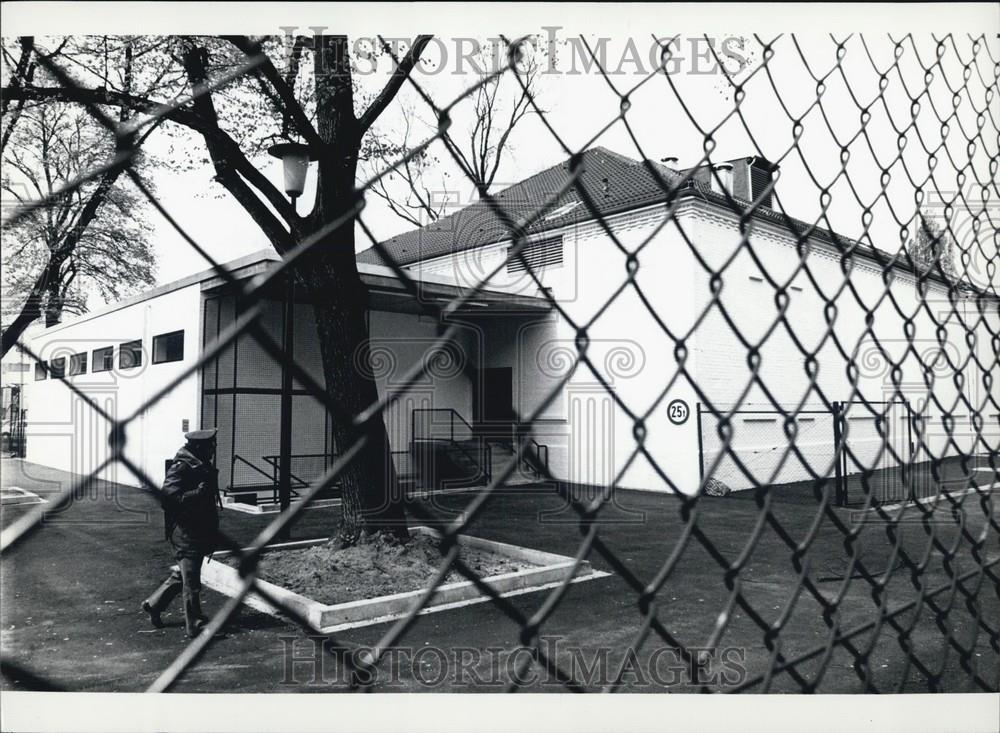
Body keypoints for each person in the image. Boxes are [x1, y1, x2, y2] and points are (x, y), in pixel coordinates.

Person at [141, 428, 222, 638]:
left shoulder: (200, 464)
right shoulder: (182, 466)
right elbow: (168, 498)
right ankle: (195, 625)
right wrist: (198, 493)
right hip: (186, 533)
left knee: (184, 574)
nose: (213, 449)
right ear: (199, 447)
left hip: (197, 530)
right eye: (210, 445)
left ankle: (155, 604)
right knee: (192, 582)